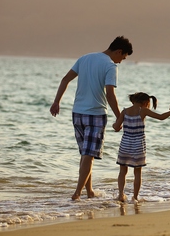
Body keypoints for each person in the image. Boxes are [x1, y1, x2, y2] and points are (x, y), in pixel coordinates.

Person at [50, 36, 133, 200]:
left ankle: (89, 191)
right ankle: (77, 193)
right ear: (118, 51)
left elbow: (65, 79)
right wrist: (119, 118)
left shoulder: (85, 58)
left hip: (77, 113)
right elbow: (110, 95)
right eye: (122, 58)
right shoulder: (110, 65)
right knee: (88, 155)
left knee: (86, 155)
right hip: (96, 114)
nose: (120, 62)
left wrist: (56, 102)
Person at [113, 92, 170, 202]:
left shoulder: (125, 111)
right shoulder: (143, 111)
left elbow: (116, 126)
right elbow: (161, 117)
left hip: (125, 144)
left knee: (122, 171)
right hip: (138, 145)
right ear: (146, 102)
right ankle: (135, 197)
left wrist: (116, 125)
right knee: (137, 172)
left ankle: (120, 195)